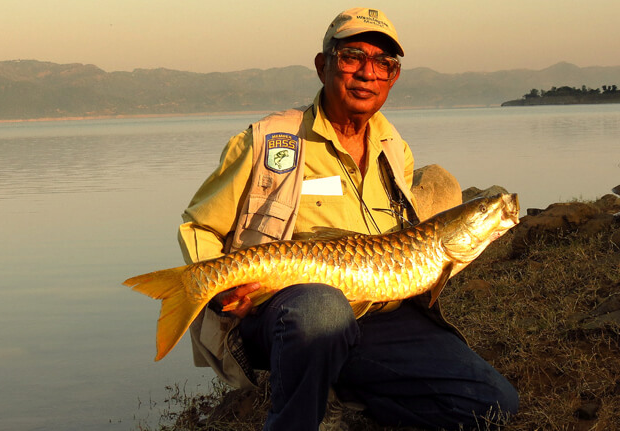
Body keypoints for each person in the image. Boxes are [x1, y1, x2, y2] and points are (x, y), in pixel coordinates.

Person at [177, 7, 518, 430]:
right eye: (353, 57)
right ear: (324, 65)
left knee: (494, 404)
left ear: (393, 78)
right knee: (323, 309)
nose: (367, 73)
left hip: (374, 314)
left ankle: (352, 398)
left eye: (383, 64)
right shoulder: (268, 141)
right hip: (287, 313)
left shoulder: (395, 147)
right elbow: (198, 225)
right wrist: (215, 290)